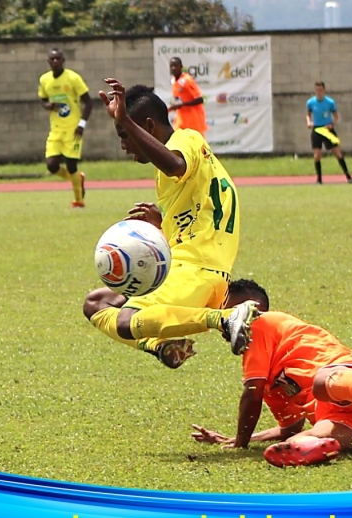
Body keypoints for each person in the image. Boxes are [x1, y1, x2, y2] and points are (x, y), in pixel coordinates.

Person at [82, 79, 259, 368]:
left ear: (148, 127)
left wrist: (125, 117)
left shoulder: (186, 139)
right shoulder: (176, 174)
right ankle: (164, 345)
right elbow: (198, 218)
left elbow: (176, 164)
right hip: (189, 267)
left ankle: (225, 318)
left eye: (125, 134)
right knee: (96, 303)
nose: (124, 146)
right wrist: (162, 224)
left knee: (126, 320)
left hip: (196, 270)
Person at [191, 279, 352, 468]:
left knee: (321, 383)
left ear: (253, 308)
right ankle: (319, 448)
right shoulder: (272, 380)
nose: (223, 321)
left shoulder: (259, 323)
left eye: (228, 311)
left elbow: (251, 394)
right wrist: (241, 438)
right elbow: (289, 426)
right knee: (296, 441)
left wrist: (241, 443)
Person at [38, 47, 93, 208]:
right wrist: (48, 105)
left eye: (58, 59)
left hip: (73, 129)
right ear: (48, 61)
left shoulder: (73, 78)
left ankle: (79, 200)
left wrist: (82, 124)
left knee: (71, 165)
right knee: (51, 165)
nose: (55, 61)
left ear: (63, 60)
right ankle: (77, 179)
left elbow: (88, 102)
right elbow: (42, 100)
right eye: (52, 59)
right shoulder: (44, 80)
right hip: (55, 129)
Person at [306, 82, 352, 185]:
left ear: (324, 90)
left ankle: (348, 177)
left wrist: (332, 124)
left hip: (327, 129)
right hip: (317, 130)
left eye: (320, 90)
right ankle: (319, 180)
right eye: (317, 90)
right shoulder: (310, 102)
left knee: (337, 153)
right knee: (317, 155)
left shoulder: (330, 102)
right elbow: (308, 114)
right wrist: (309, 122)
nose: (319, 92)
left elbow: (336, 116)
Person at [168, 57, 208, 136]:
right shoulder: (173, 81)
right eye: (171, 66)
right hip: (181, 120)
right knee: (177, 141)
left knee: (197, 145)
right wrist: (173, 106)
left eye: (176, 65)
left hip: (193, 120)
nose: (173, 68)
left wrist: (182, 104)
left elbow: (200, 99)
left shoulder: (187, 80)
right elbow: (179, 99)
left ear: (181, 67)